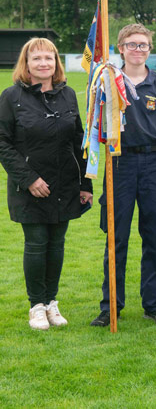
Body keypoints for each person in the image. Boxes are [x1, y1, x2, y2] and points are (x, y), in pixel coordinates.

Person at [0, 38, 93, 330]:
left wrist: (86, 184)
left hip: (64, 184)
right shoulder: (11, 96)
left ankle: (52, 302)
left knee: (57, 244)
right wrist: (28, 179)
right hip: (29, 186)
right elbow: (3, 142)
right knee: (37, 243)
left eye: (49, 58)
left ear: (56, 63)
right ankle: (36, 306)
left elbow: (80, 141)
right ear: (26, 64)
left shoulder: (68, 95)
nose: (43, 63)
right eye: (37, 58)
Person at [90, 24, 156, 327]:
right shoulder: (110, 82)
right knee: (116, 237)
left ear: (150, 49)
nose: (137, 50)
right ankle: (111, 305)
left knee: (154, 234)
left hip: (153, 163)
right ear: (120, 47)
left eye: (143, 45)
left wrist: (150, 137)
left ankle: (154, 304)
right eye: (131, 44)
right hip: (120, 163)